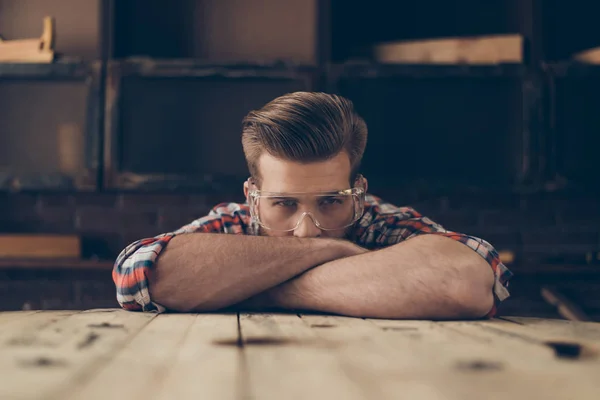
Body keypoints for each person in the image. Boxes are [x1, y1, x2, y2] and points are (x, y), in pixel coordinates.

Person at [113, 92, 512, 319]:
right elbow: (136, 278)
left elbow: (468, 283)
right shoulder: (236, 221)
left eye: (330, 202)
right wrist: (334, 250)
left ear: (359, 189)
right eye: (283, 204)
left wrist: (258, 286)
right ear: (252, 195)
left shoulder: (380, 223)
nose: (307, 229)